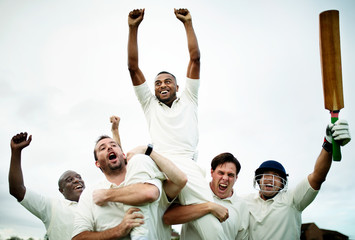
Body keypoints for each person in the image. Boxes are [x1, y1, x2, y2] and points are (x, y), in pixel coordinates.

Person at [128, 8, 226, 239]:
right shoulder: (149, 104)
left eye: (168, 82)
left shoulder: (189, 99)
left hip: (185, 164)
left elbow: (195, 58)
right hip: (158, 162)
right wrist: (133, 28)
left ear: (177, 86)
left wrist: (188, 23)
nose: (163, 85)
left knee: (211, 227)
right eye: (158, 83)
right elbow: (133, 68)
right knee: (138, 166)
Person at [243, 119, 351, 239]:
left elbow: (317, 177)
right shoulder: (245, 201)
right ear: (259, 180)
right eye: (266, 175)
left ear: (282, 184)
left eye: (276, 176)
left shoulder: (292, 199)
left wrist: (328, 144)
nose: (270, 180)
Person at [92, 116, 187, 239]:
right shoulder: (97, 192)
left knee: (138, 160)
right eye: (103, 148)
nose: (109, 148)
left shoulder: (155, 186)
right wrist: (115, 132)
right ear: (97, 163)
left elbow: (181, 180)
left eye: (113, 145)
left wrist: (147, 150)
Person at [8, 132, 85, 240]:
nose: (77, 180)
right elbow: (17, 189)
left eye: (79, 177)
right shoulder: (52, 207)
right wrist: (16, 152)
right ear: (61, 190)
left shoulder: (96, 203)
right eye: (70, 180)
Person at [163, 152, 249, 240]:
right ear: (212, 172)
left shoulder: (242, 206)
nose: (225, 178)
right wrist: (209, 207)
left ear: (236, 178)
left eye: (230, 175)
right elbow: (168, 218)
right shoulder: (196, 190)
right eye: (221, 173)